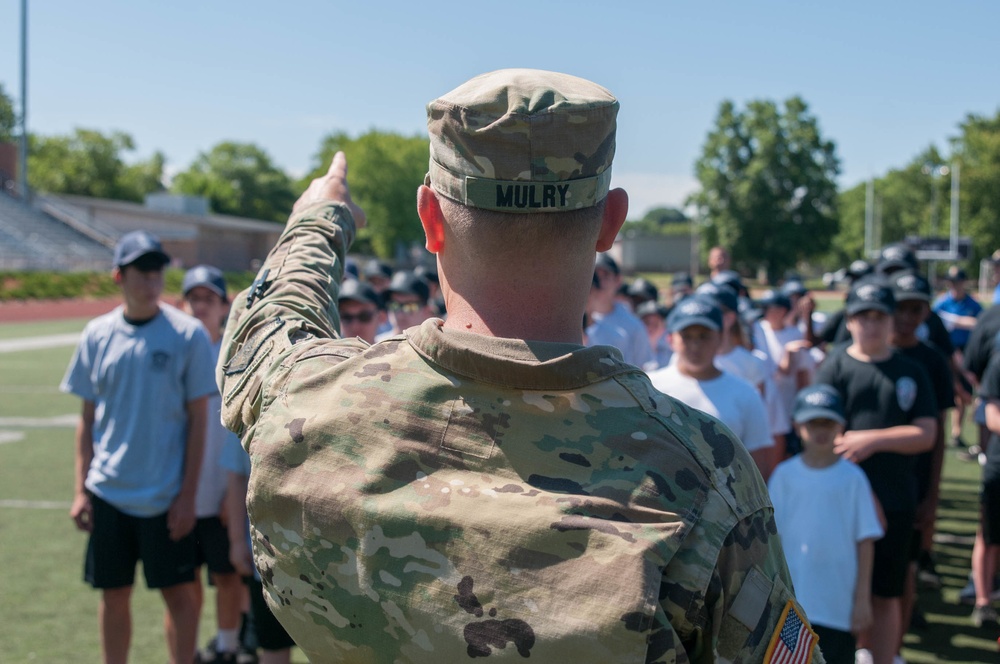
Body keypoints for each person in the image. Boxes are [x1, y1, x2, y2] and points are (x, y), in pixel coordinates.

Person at [217, 69, 818, 662]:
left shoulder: (307, 399)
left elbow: (269, 322)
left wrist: (321, 217)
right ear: (611, 221)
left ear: (430, 218)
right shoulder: (702, 474)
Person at [61, 230, 218, 664]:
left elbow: (200, 422)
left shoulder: (187, 336)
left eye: (157, 271)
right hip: (109, 492)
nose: (151, 280)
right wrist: (80, 490)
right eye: (140, 271)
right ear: (118, 276)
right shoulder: (97, 334)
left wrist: (188, 498)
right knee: (113, 595)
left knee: (178, 595)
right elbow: (86, 420)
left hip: (165, 496)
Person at [814, 278, 936, 664]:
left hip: (896, 500)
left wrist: (871, 440)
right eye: (862, 316)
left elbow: (926, 433)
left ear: (891, 319)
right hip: (839, 503)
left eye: (879, 315)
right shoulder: (834, 367)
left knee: (886, 592)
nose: (871, 324)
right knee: (840, 592)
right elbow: (819, 434)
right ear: (849, 321)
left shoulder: (911, 371)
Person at [768, 385, 883, 664]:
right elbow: (770, 540)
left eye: (827, 423)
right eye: (812, 423)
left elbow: (865, 540)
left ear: (840, 426)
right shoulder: (784, 475)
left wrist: (862, 598)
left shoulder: (853, 478)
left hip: (838, 604)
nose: (820, 430)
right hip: (791, 604)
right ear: (797, 426)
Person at [180, 266, 251, 664]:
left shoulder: (233, 354)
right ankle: (186, 648)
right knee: (184, 578)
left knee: (226, 576)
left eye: (209, 298)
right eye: (194, 298)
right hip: (185, 491)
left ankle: (228, 645)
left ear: (224, 305)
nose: (200, 306)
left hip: (221, 486)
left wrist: (234, 494)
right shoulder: (177, 349)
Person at [887, 270, 953, 642]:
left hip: (912, 483)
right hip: (872, 483)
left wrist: (933, 494)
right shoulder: (867, 354)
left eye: (917, 308)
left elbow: (939, 432)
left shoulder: (932, 361)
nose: (908, 317)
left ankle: (895, 642)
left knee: (906, 568)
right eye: (901, 307)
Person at [648, 296, 774, 479]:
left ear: (722, 338)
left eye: (704, 336)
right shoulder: (651, 387)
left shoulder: (746, 394)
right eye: (687, 336)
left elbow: (759, 464)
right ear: (670, 339)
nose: (695, 345)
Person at [220, 432, 297, 663]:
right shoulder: (251, 407)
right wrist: (236, 541)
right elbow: (236, 477)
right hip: (268, 560)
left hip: (330, 562)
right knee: (273, 645)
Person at [934, 265, 983, 449]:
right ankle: (939, 432)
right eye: (951, 282)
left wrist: (955, 321)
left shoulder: (972, 304)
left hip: (964, 353)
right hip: (944, 353)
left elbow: (980, 324)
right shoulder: (941, 302)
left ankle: (956, 432)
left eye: (957, 282)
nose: (954, 285)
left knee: (963, 394)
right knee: (943, 393)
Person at [585, 253, 655, 368]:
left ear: (618, 280)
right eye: (594, 276)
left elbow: (643, 367)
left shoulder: (633, 325)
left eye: (606, 276)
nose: (600, 283)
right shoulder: (575, 321)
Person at [376, 270, 436, 340]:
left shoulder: (436, 348)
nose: (400, 314)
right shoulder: (376, 346)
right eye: (394, 305)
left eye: (410, 307)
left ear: (427, 311)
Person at [338, 278, 384, 344]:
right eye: (346, 318)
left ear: (380, 317)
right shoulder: (326, 353)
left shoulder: (396, 353)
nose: (355, 326)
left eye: (364, 317)